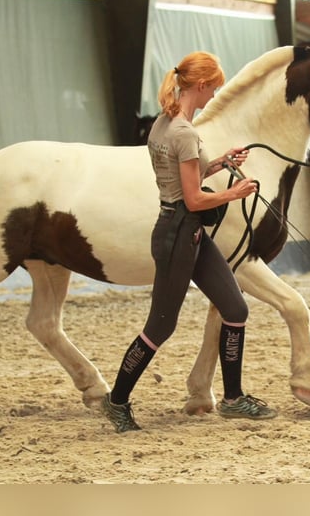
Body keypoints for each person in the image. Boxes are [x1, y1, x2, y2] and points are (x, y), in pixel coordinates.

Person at [101, 51, 278, 433]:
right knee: (159, 327)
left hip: (187, 230)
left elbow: (188, 174)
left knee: (235, 307)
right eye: (213, 88)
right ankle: (116, 401)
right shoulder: (183, 132)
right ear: (200, 86)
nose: (215, 95)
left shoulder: (165, 125)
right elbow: (194, 198)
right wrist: (235, 193)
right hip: (180, 233)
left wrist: (221, 162)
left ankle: (233, 398)